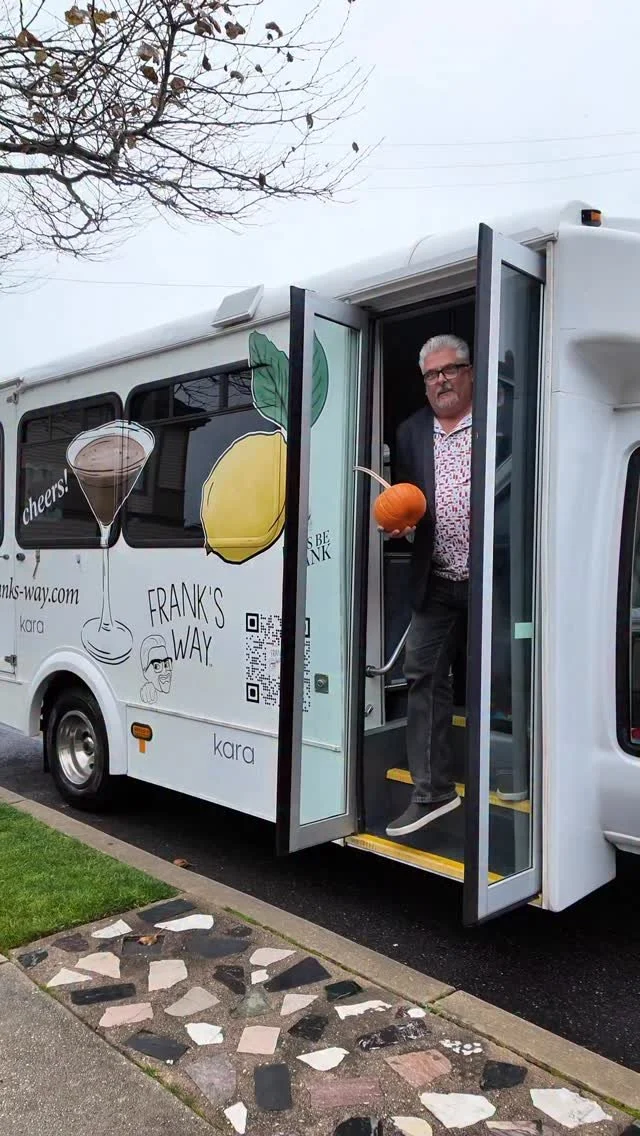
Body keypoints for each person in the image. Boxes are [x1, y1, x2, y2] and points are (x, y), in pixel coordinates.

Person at [385, 333, 473, 838]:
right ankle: (432, 792)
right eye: (432, 375)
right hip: (437, 577)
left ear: (469, 372)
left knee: (508, 678)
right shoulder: (411, 431)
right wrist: (401, 525)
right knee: (422, 673)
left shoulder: (501, 419)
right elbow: (408, 500)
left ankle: (517, 773)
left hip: (498, 580)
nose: (441, 380)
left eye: (450, 369)